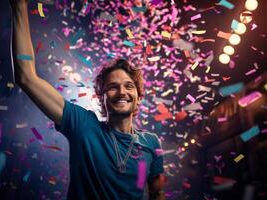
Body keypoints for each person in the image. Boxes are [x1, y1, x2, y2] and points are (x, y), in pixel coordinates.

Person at [10, 0, 166, 199]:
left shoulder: (152, 142)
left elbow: (157, 193)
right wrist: (19, 7)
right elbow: (26, 77)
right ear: (102, 97)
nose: (121, 92)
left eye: (128, 86)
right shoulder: (83, 124)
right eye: (112, 87)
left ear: (138, 95)